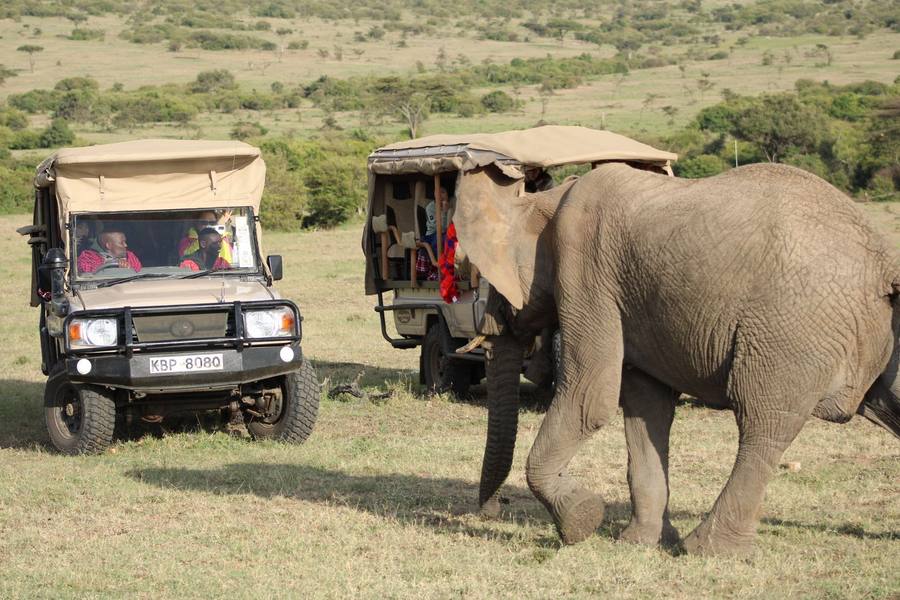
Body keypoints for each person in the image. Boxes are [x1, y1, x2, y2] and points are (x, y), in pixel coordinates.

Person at [77, 230, 142, 273]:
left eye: (125, 242)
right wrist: (115, 269)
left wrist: (128, 270)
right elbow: (88, 275)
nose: (125, 245)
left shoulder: (130, 256)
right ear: (108, 245)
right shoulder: (88, 257)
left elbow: (139, 273)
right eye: (121, 242)